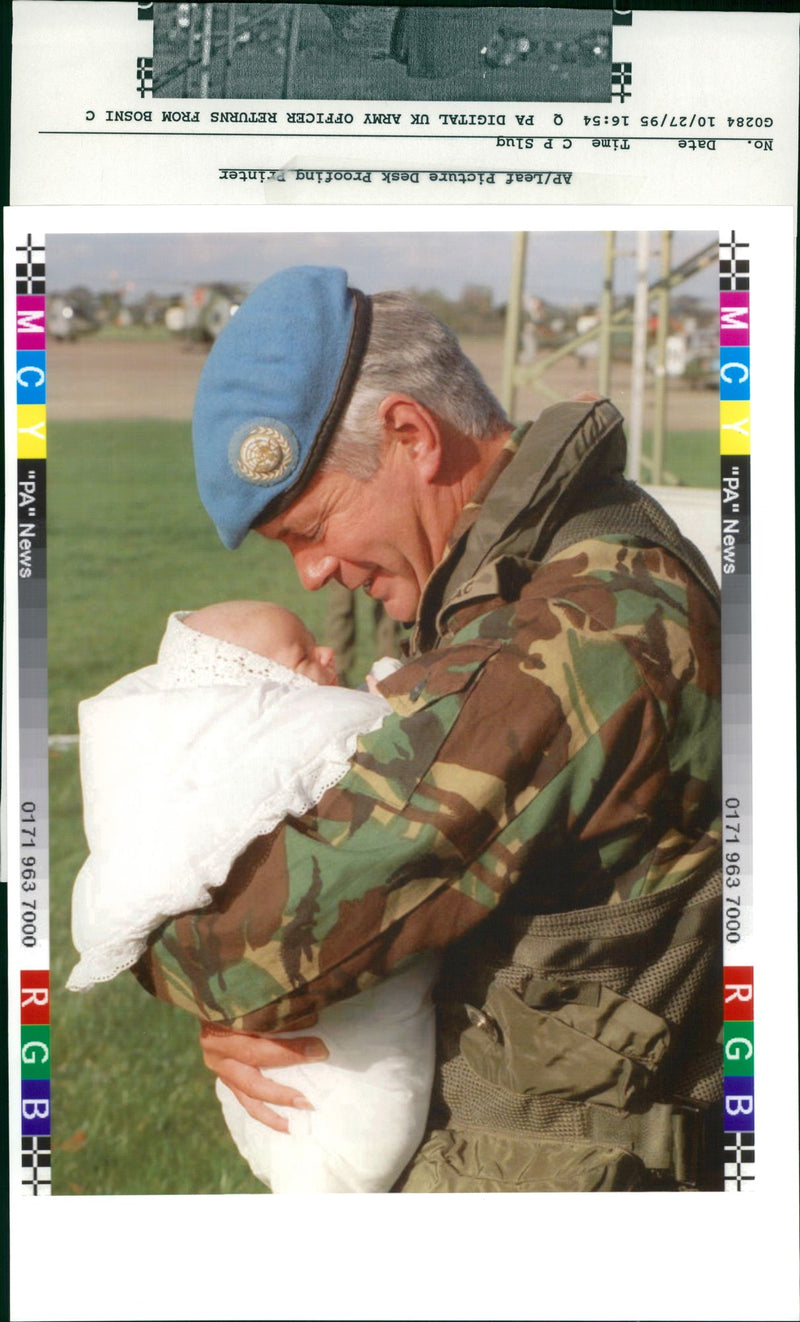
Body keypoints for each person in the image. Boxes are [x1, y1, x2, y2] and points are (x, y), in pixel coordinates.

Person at [135, 266, 723, 1192]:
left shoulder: (569, 633)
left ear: (412, 435)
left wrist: (221, 989)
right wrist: (260, 1002)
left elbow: (255, 950)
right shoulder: (543, 572)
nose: (312, 576)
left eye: (312, 528)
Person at [68, 599, 437, 1193]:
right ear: (261, 689)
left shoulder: (222, 765)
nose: (327, 654)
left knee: (344, 1122)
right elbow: (400, 728)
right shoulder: (294, 734)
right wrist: (393, 696)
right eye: (303, 655)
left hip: (307, 1028)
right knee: (359, 1119)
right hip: (322, 1030)